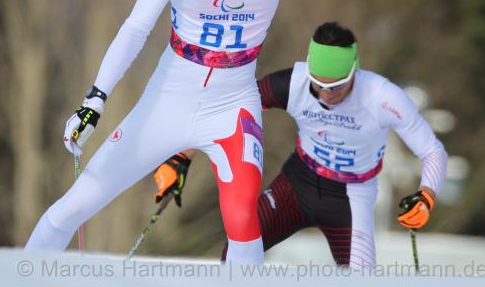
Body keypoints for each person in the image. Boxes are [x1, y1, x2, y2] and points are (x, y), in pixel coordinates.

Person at [24, 0, 355, 264]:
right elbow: (135, 29)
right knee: (74, 207)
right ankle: (14, 278)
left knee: (242, 220)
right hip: (167, 102)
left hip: (232, 108)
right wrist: (95, 99)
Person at [154, 22, 447, 268]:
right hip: (297, 184)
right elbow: (227, 110)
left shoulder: (384, 97)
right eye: (317, 84)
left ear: (354, 72)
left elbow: (432, 150)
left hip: (351, 197)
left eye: (335, 86)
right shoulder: (293, 83)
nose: (325, 94)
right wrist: (181, 156)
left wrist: (426, 195)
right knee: (238, 248)